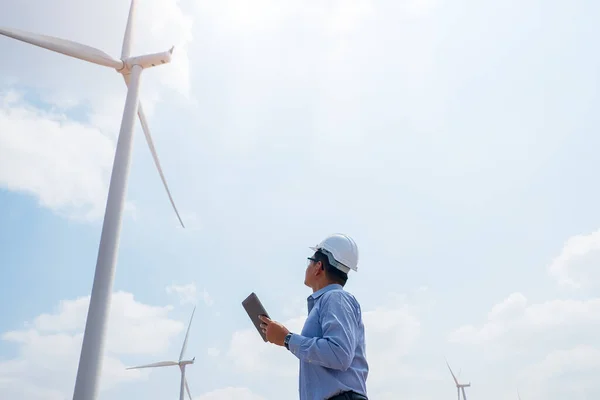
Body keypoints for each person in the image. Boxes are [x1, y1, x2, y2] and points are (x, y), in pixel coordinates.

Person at [259, 233, 369, 400]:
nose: (307, 267)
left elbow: (339, 354)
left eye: (309, 261)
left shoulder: (335, 298)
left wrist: (287, 339)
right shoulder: (331, 300)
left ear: (319, 267)